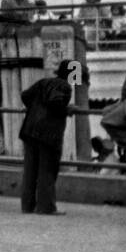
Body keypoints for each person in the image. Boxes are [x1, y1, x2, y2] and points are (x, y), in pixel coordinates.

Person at [19, 59, 78, 215]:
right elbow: (55, 102)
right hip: (48, 134)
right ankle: (45, 207)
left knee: (30, 170)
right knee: (47, 170)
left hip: (30, 130)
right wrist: (67, 110)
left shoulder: (43, 82)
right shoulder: (65, 86)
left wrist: (35, 108)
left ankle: (27, 206)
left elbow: (25, 95)